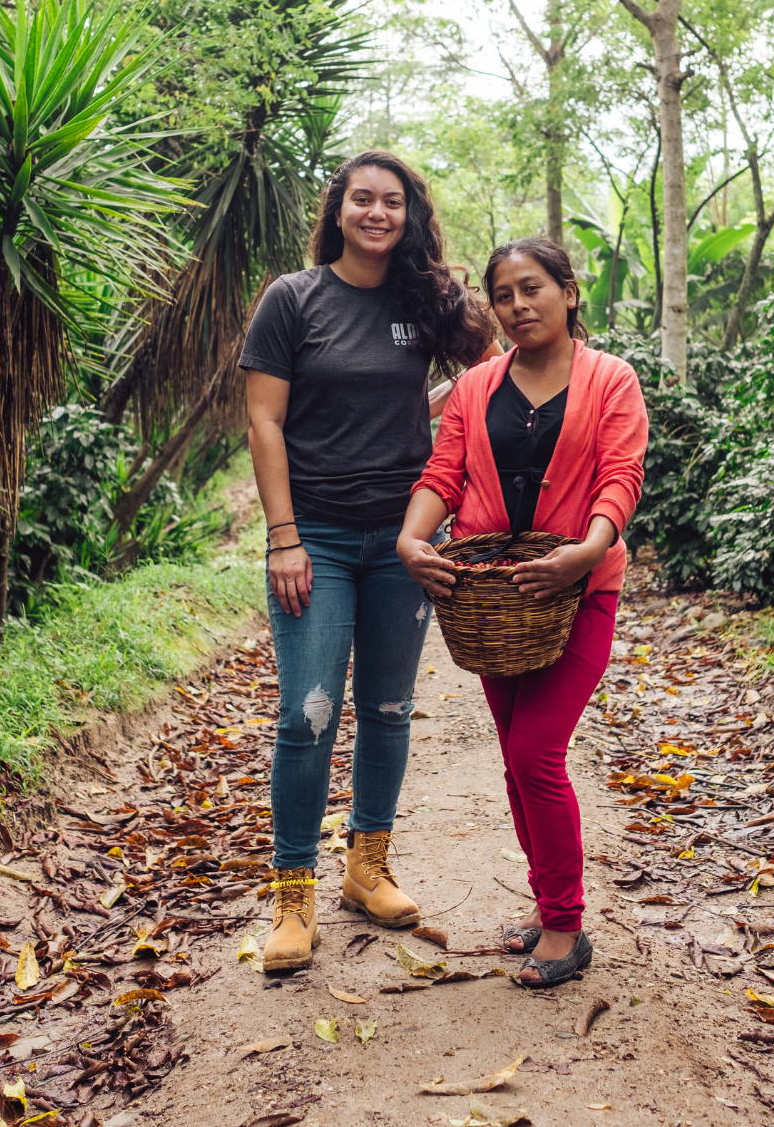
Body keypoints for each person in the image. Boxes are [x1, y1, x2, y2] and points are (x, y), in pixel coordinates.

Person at [240, 150, 498, 972]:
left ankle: (367, 866)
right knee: (306, 714)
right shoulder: (293, 298)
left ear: (408, 214)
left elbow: (488, 375)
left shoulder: (421, 304)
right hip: (312, 534)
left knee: (386, 710)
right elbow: (264, 422)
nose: (377, 213)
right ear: (339, 209)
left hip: (400, 541)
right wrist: (283, 537)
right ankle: (292, 895)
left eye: (392, 202)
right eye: (363, 200)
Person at [396, 237, 648, 989]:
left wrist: (589, 549)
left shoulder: (612, 380)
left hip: (578, 591)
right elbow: (445, 471)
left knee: (536, 753)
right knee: (515, 759)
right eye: (503, 294)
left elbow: (620, 474)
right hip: (495, 599)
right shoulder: (477, 386)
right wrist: (412, 536)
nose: (517, 306)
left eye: (532, 288)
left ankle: (567, 928)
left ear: (569, 293)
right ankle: (548, 907)